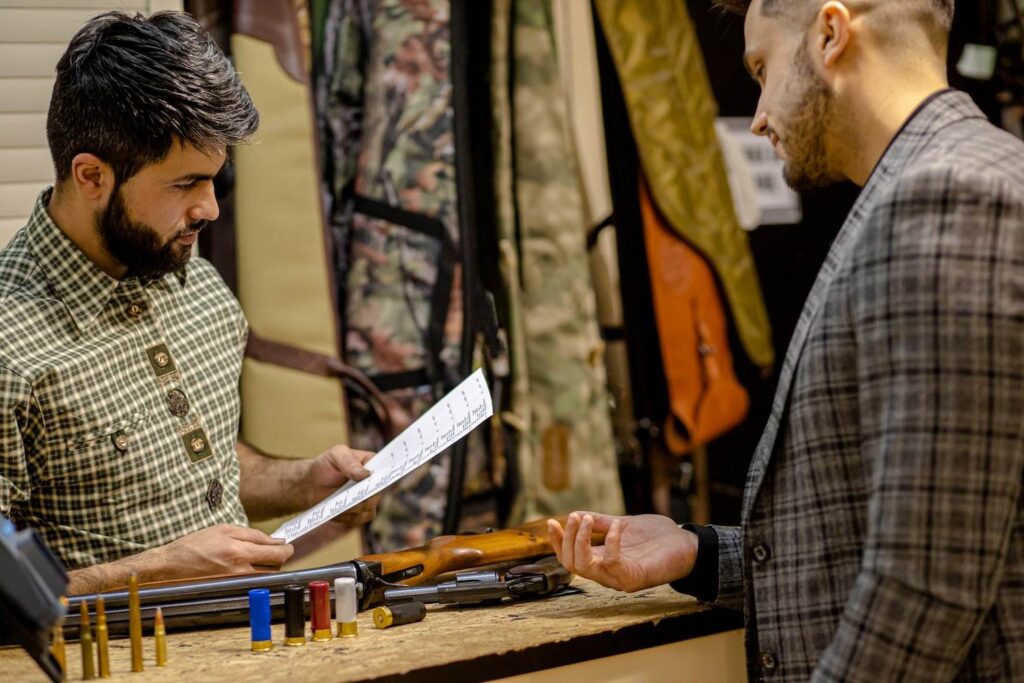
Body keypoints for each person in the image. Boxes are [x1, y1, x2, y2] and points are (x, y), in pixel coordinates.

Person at [550, 0, 1024, 680]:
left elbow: (924, 585)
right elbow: (898, 530)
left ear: (830, 33)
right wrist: (698, 550)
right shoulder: (923, 189)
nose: (761, 112)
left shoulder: (947, 196)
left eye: (763, 67)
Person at [0, 11, 377, 595]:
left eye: (214, 181)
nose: (210, 209)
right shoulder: (10, 348)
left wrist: (305, 482)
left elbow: (196, 464)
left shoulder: (195, 284)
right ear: (92, 175)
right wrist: (154, 572)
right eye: (185, 184)